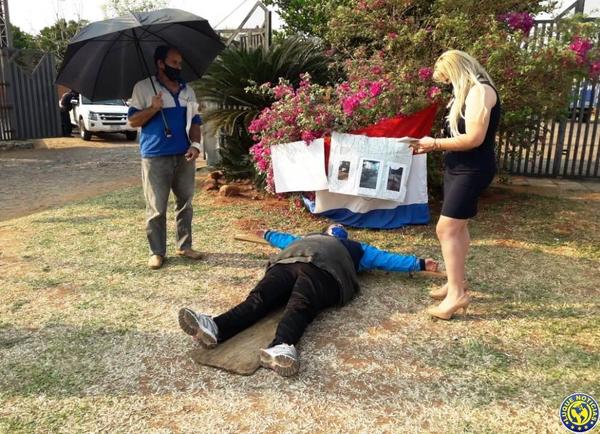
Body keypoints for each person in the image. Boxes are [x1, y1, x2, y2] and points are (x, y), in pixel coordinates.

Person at [178, 224, 438, 377]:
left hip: (309, 267)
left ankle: (261, 339)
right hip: (303, 266)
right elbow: (386, 259)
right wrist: (267, 232)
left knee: (277, 302)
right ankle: (222, 328)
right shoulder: (347, 246)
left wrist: (420, 263)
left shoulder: (346, 246)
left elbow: (387, 259)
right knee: (274, 301)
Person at [412, 50, 501, 320]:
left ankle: (457, 296)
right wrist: (433, 146)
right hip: (458, 167)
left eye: (448, 78)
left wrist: (435, 144)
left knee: (446, 229)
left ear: (458, 69)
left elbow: (474, 138)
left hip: (472, 169)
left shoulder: (480, 91)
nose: (448, 84)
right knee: (458, 228)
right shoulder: (466, 93)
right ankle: (455, 283)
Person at [128, 45, 204, 270]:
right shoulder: (142, 88)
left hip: (184, 156)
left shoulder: (187, 90)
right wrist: (153, 108)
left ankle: (185, 245)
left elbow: (196, 121)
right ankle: (157, 252)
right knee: (157, 208)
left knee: (185, 203)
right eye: (174, 63)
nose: (179, 67)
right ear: (160, 63)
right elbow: (133, 122)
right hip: (155, 156)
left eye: (180, 63)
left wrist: (196, 145)